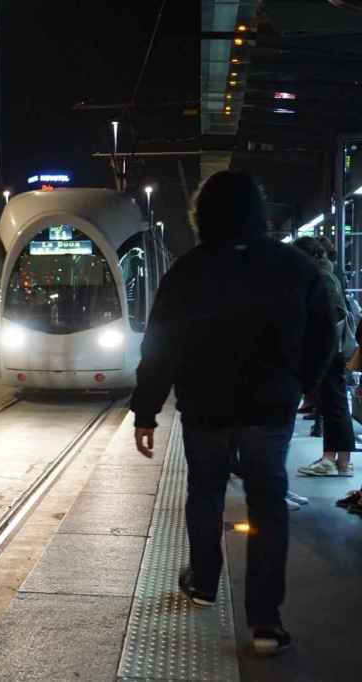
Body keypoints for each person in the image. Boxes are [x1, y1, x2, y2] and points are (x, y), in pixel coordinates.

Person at [130, 170, 337, 657]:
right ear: (258, 212)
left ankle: (203, 583)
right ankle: (265, 623)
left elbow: (159, 346)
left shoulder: (187, 271)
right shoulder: (296, 268)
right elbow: (324, 336)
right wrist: (297, 385)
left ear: (202, 215)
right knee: (268, 506)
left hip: (206, 409)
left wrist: (146, 411)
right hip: (270, 410)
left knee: (205, 494)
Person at [294, 237, 356, 478]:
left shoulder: (322, 277)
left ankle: (332, 460)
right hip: (331, 349)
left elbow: (333, 316)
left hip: (329, 351)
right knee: (335, 404)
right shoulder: (324, 274)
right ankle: (340, 461)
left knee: (334, 404)